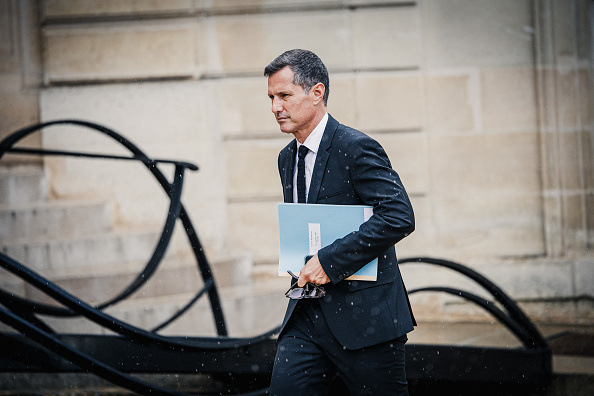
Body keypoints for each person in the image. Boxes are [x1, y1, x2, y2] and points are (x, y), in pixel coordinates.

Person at [265, 49, 416, 396]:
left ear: (316, 93)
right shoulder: (286, 157)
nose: (275, 107)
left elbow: (399, 216)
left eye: (284, 95)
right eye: (272, 97)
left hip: (367, 319)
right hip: (305, 315)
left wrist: (328, 262)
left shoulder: (356, 146)